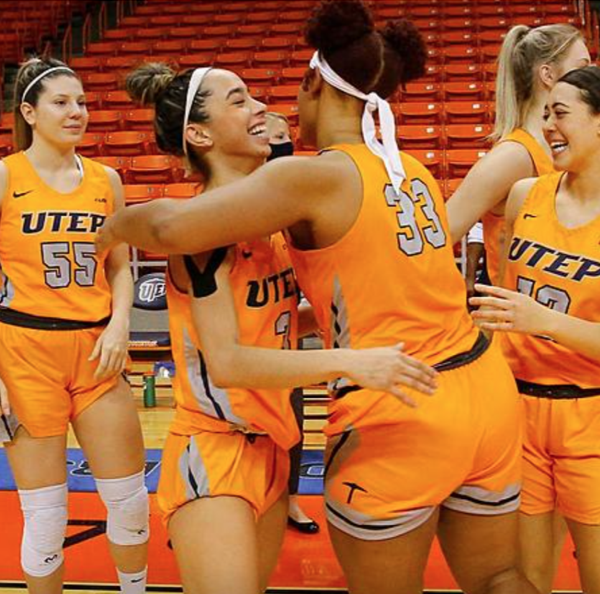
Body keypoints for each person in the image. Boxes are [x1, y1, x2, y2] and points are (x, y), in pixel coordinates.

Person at [97, 1, 539, 592]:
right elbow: (247, 338)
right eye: (241, 100)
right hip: (477, 391)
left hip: (398, 401)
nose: (266, 108)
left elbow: (169, 227)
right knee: (501, 577)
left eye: (262, 95)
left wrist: (104, 226)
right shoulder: (408, 166)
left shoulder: (303, 185)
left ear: (312, 84)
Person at [124, 62, 437, 594]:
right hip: (216, 445)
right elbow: (228, 363)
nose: (261, 108)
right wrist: (351, 361)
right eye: (239, 100)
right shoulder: (203, 230)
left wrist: (367, 321)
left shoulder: (270, 224)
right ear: (199, 134)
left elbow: (278, 323)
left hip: (274, 444)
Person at [0, 58, 149, 594]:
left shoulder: (106, 180)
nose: (77, 112)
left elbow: (118, 263)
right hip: (23, 353)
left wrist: (120, 324)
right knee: (44, 516)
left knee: (130, 501)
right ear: (29, 112)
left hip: (95, 348)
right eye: (62, 102)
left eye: (82, 102)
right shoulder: (4, 176)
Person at [470, 65, 600, 594]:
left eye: (561, 113)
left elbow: (528, 314)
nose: (548, 125)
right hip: (517, 409)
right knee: (522, 579)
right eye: (546, 112)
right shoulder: (526, 194)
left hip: (591, 416)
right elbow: (504, 307)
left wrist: (545, 321)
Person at [446, 23, 590, 287]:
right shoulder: (514, 155)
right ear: (548, 75)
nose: (591, 75)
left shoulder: (574, 150)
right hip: (515, 322)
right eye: (581, 67)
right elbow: (438, 236)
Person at [266, 110, 320, 534]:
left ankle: (292, 501)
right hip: (240, 349)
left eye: (286, 136)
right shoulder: (234, 211)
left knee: (296, 429)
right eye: (271, 136)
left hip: (285, 344)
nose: (280, 143)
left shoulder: (295, 213)